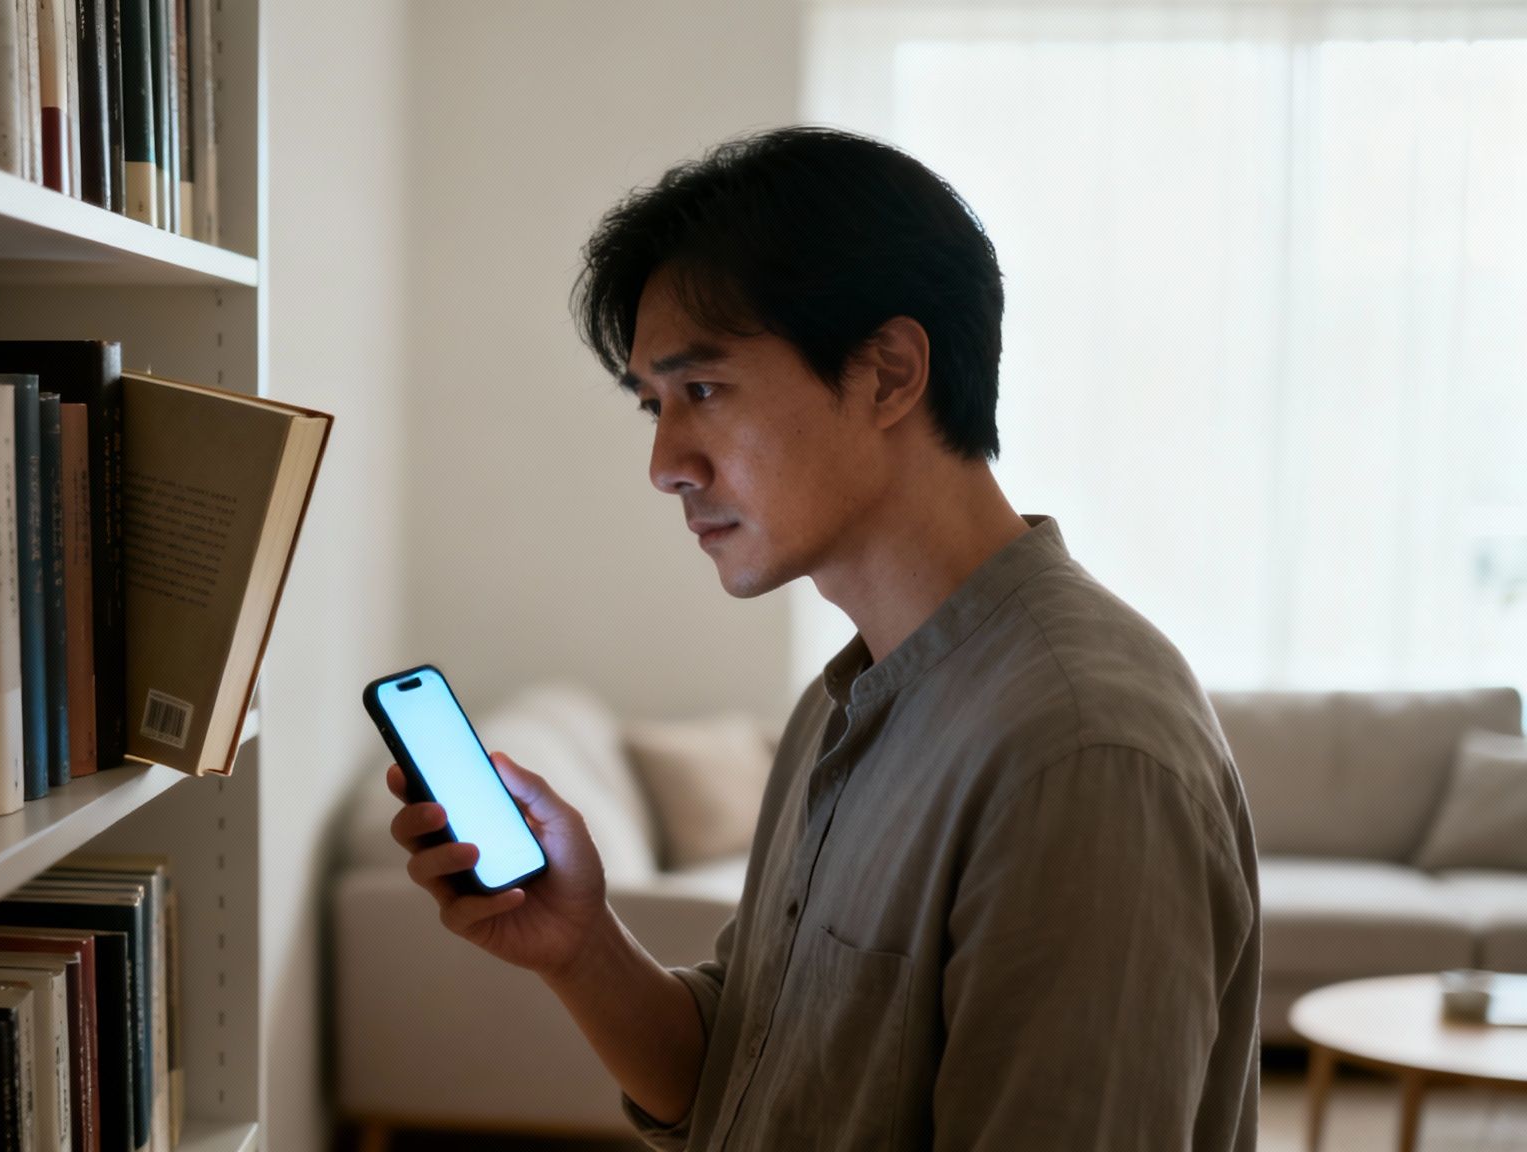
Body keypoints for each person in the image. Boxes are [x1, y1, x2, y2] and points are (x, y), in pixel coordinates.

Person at [383, 126, 1262, 1150]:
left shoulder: (1079, 753)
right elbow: (741, 1082)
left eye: (701, 390)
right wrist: (579, 946)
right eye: (652, 407)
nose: (664, 463)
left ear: (887, 373)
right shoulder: (848, 699)